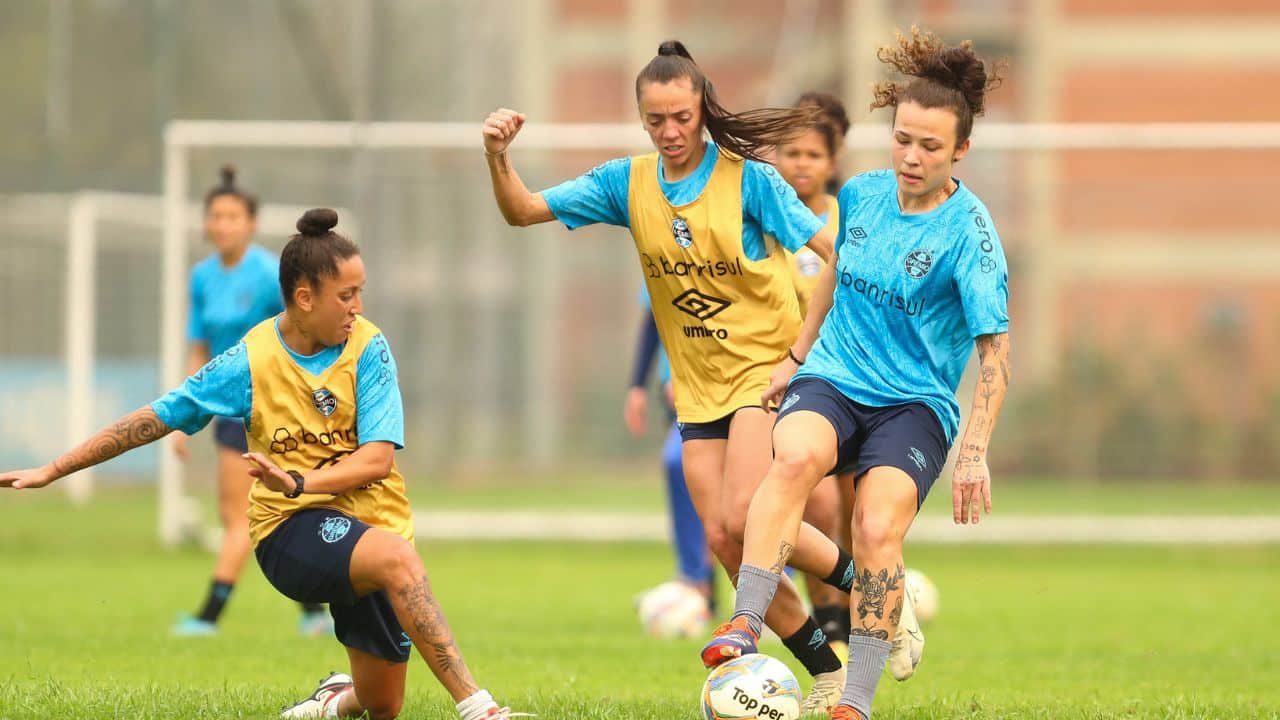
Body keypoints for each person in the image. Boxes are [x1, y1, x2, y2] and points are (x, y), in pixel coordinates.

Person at [2, 209, 525, 720]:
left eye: (361, 291)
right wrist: (56, 468)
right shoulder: (249, 360)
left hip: (369, 527)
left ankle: (333, 699)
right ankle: (479, 708)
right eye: (347, 295)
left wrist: (302, 477)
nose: (358, 307)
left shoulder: (369, 346)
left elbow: (377, 459)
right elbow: (158, 416)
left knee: (382, 703)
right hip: (289, 531)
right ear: (304, 298)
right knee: (397, 562)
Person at [483, 39, 856, 713]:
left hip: (766, 373)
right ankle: (826, 669)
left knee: (749, 515)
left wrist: (815, 347)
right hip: (697, 386)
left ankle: (866, 586)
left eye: (682, 116)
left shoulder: (750, 180)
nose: (671, 131)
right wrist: (497, 156)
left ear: (703, 109)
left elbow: (832, 252)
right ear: (642, 118)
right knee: (723, 536)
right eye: (656, 120)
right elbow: (522, 210)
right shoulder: (625, 183)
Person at [702, 28, 1011, 720]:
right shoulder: (865, 196)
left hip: (916, 405)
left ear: (961, 149)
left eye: (930, 146)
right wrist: (795, 357)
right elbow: (834, 274)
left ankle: (856, 700)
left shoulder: (971, 233)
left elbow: (996, 352)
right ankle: (746, 622)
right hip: (836, 375)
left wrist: (976, 451)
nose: (910, 156)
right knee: (794, 460)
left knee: (874, 530)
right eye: (902, 138)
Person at [169, 166, 330, 638]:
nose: (222, 225)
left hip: (270, 404)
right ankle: (313, 611)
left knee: (248, 513)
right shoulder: (201, 277)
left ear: (251, 223)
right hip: (226, 407)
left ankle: (208, 616)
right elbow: (199, 348)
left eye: (231, 216)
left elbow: (300, 332)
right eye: (215, 216)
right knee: (238, 513)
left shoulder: (267, 275)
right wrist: (182, 418)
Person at [772, 92, 854, 647]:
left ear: (832, 159)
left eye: (811, 154)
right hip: (779, 382)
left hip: (846, 378)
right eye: (789, 152)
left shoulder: (847, 219)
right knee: (815, 502)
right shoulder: (761, 212)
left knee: (850, 510)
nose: (800, 164)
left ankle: (848, 619)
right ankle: (824, 625)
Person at [624, 290, 715, 605]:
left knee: (738, 488)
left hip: (727, 386)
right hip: (676, 396)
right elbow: (653, 320)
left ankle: (772, 583)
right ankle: (696, 581)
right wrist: (637, 385)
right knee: (685, 472)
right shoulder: (658, 243)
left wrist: (697, 374)